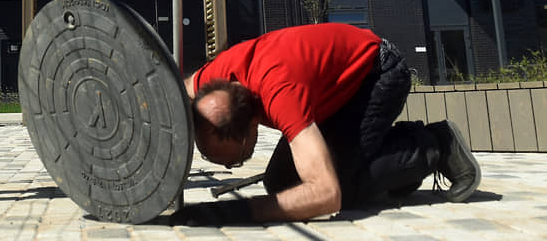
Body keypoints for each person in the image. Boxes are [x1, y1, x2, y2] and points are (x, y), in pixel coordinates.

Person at [172, 23, 481, 225]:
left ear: (253, 125)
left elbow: (326, 194)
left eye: (233, 159)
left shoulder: (282, 96)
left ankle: (435, 144)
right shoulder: (209, 80)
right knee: (282, 187)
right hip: (328, 90)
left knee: (341, 189)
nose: (226, 167)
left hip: (376, 73)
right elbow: (168, 92)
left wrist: (229, 213)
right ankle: (396, 171)